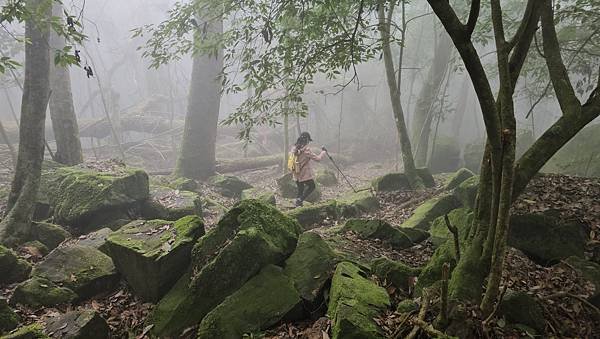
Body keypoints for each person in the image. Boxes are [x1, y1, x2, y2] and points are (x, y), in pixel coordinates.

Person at [291, 132, 326, 207]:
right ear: (307, 140)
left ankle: (298, 204)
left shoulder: (294, 148)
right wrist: (323, 152)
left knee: (300, 189)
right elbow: (318, 159)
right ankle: (300, 200)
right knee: (312, 186)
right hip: (303, 174)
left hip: (295, 172)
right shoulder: (306, 150)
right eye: (308, 141)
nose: (309, 142)